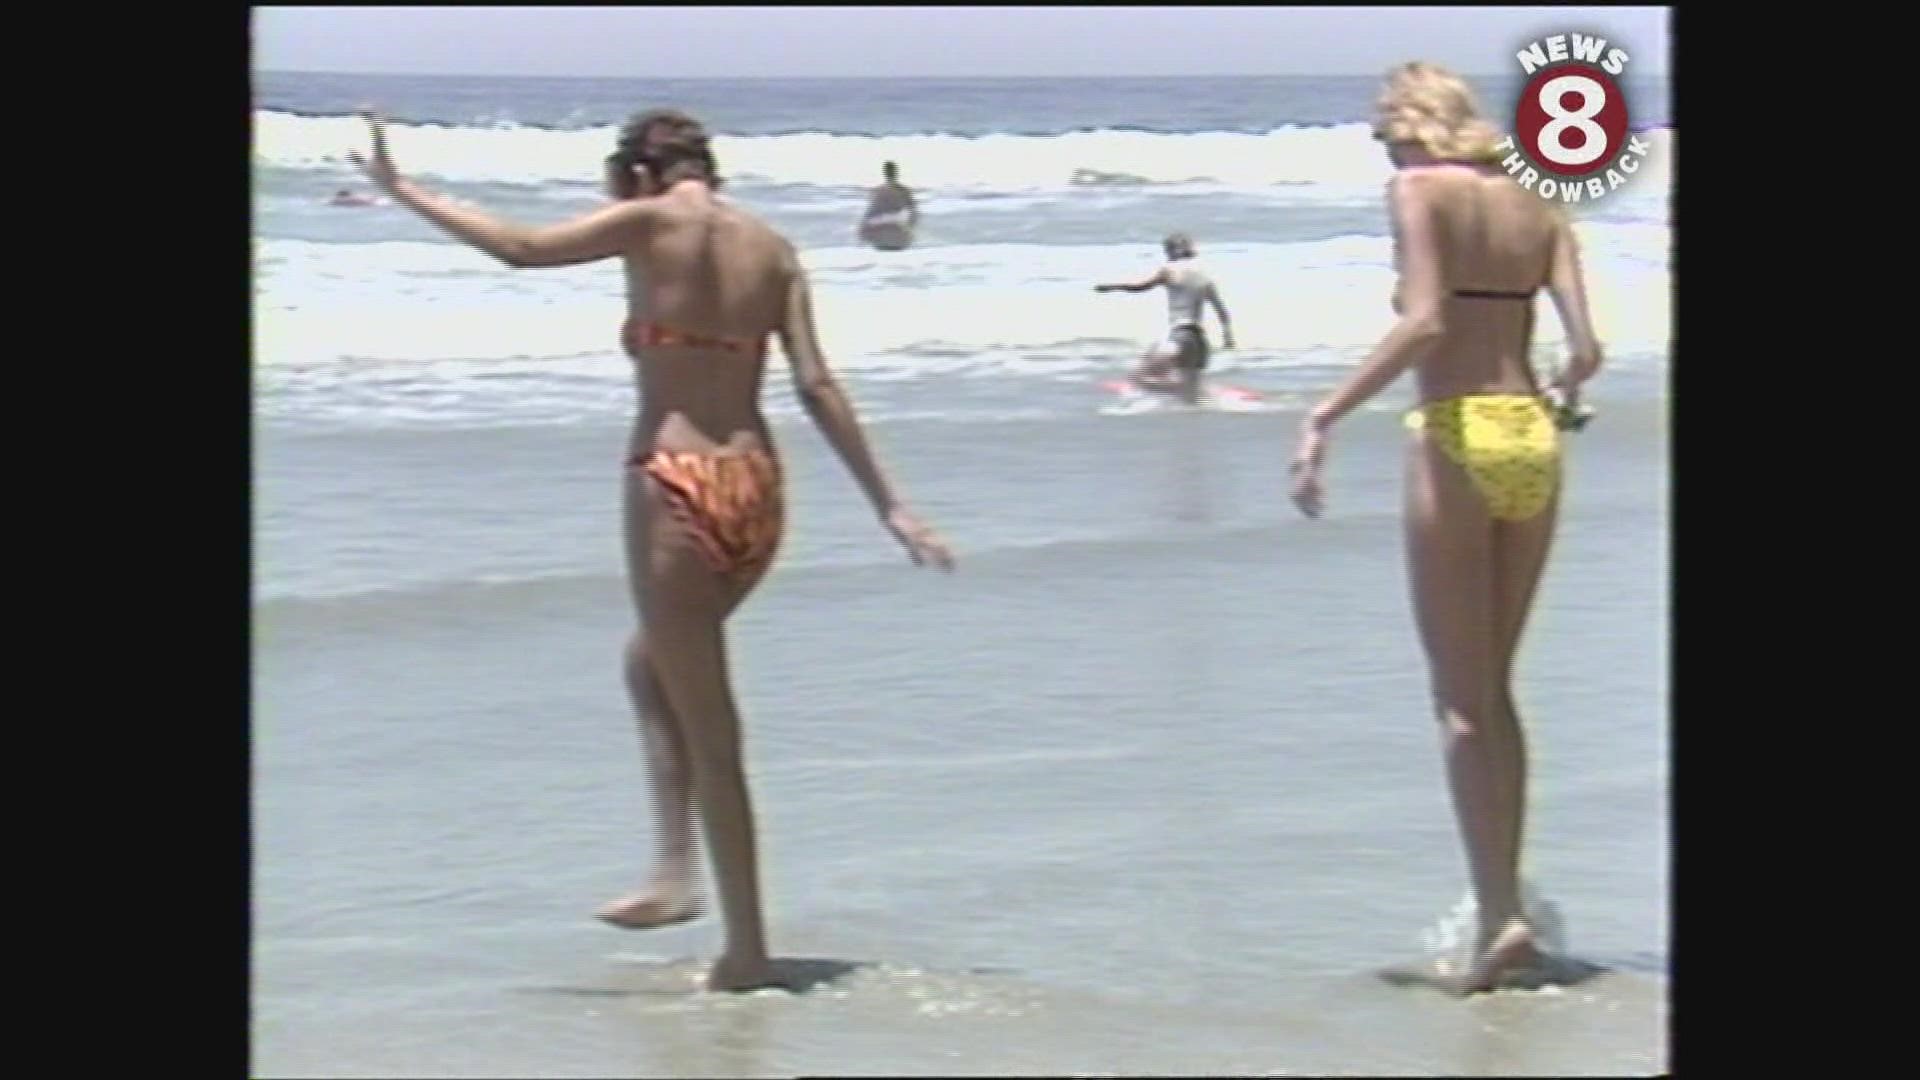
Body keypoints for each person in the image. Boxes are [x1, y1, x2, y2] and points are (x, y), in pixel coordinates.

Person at [351, 106, 955, 992]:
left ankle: (745, 950)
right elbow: (817, 382)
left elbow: (520, 248)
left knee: (713, 730)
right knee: (651, 667)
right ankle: (675, 873)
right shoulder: (775, 249)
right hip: (756, 488)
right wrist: (891, 505)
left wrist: (403, 189)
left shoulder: (647, 221)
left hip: (673, 482)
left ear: (636, 173)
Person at [1286, 62, 1603, 994]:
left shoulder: (1418, 190)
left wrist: (1324, 416)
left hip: (1458, 431)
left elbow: (1424, 322)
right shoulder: (1538, 201)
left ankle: (1499, 919)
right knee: (1497, 692)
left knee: (1459, 703)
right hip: (1533, 438)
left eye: (1384, 129)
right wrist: (1560, 388)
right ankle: (1505, 908)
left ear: (1412, 123)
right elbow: (1585, 350)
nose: (1383, 146)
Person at [1094, 233, 1235, 405]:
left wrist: (1112, 287)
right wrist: (1228, 338)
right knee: (1191, 399)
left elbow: (1140, 287)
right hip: (1199, 343)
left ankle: (1174, 391)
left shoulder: (1169, 270)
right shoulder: (1205, 277)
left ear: (1171, 250)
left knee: (1138, 378)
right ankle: (1203, 394)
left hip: (1180, 336)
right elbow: (1223, 313)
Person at [858, 161, 919, 250]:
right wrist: (910, 229)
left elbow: (871, 212)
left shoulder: (879, 190)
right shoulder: (902, 190)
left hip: (886, 233)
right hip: (896, 234)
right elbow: (913, 211)